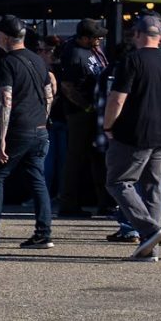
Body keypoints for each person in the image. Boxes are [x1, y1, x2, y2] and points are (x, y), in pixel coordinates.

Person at [102, 12, 161, 261]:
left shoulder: (131, 60)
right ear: (160, 36)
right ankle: (150, 249)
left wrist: (108, 125)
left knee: (118, 182)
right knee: (153, 189)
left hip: (135, 133)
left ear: (137, 34)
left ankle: (149, 231)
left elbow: (117, 98)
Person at [0, 15, 57, 248]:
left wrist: (1, 138)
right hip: (40, 129)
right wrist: (44, 119)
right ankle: (44, 232)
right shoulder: (38, 60)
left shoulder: (7, 63)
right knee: (37, 180)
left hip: (18, 129)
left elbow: (5, 101)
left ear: (4, 36)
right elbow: (49, 93)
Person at [51, 17, 110, 219]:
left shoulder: (92, 51)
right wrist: (86, 107)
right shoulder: (74, 53)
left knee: (98, 157)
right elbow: (67, 87)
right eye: (96, 37)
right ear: (84, 38)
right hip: (80, 114)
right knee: (76, 158)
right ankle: (68, 204)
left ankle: (104, 202)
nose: (99, 40)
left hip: (95, 111)